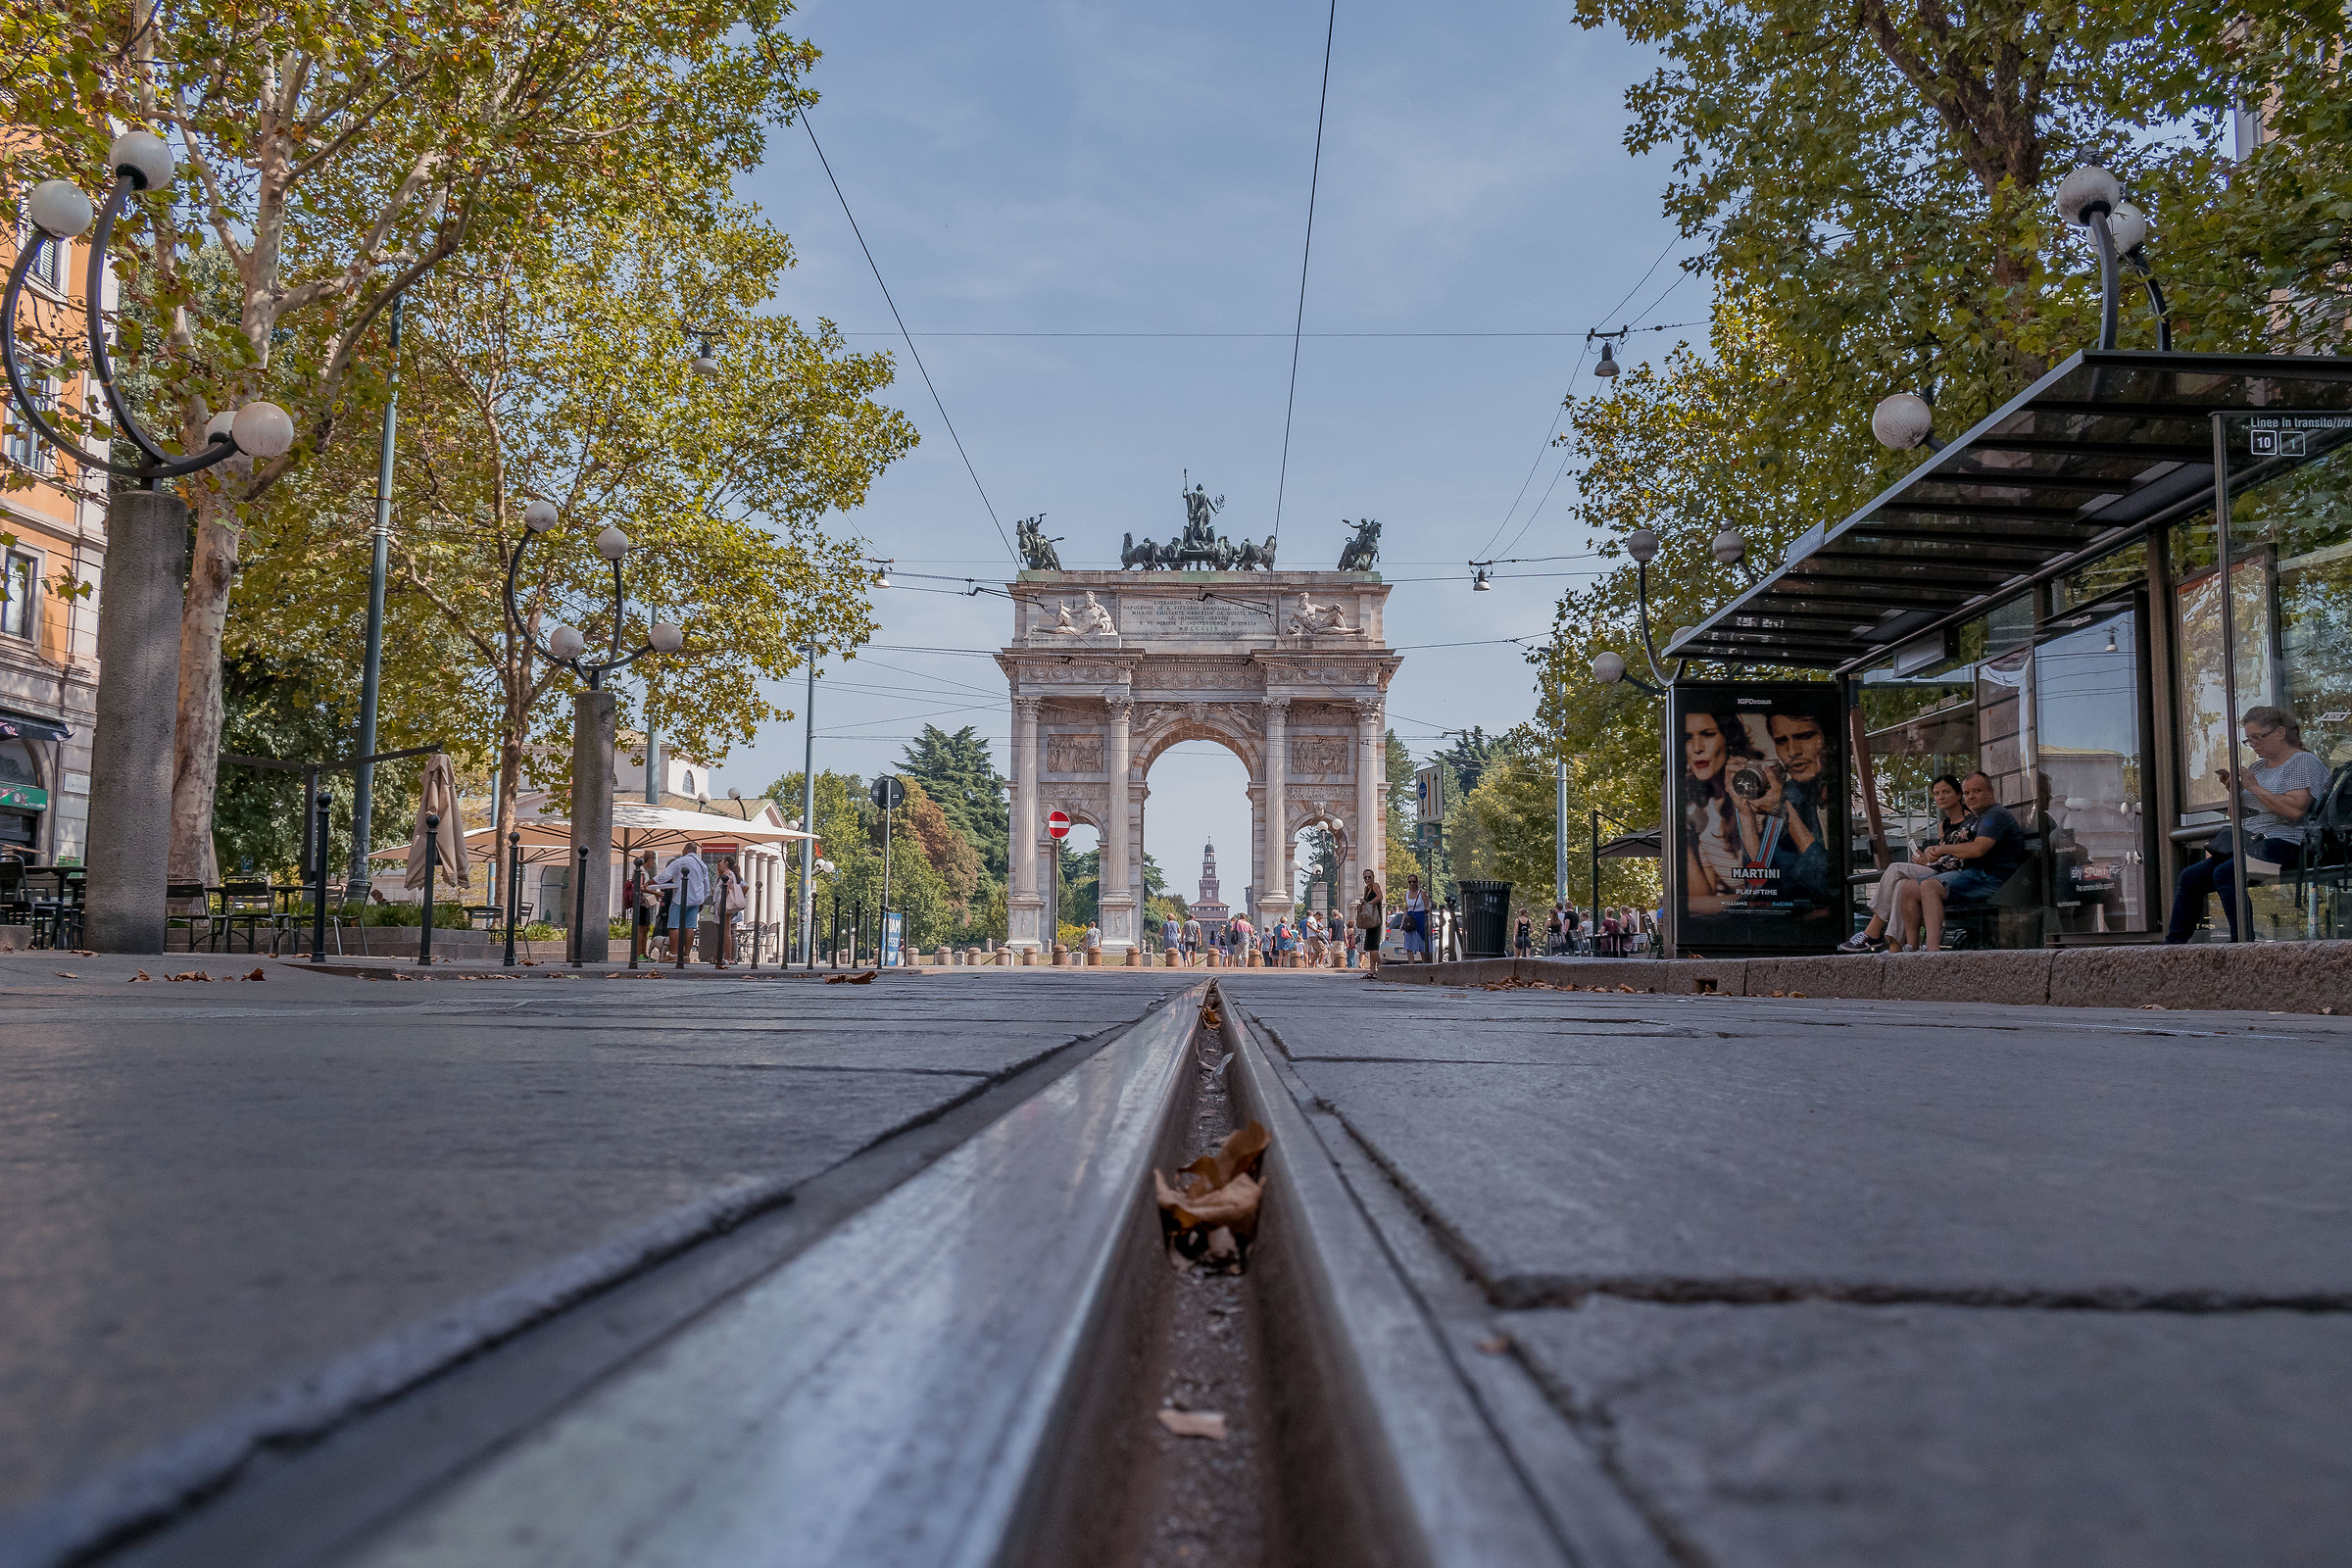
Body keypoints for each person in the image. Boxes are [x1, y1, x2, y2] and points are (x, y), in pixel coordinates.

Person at [2168, 706, 2328, 943]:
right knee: (2191, 876)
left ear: (2280, 732)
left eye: (2257, 737)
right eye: (2248, 739)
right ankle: (2172, 947)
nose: (2253, 744)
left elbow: (2295, 810)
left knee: (2227, 872)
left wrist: (2253, 787)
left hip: (2288, 842)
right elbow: (2237, 817)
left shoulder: (2302, 762)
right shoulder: (2258, 768)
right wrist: (2234, 791)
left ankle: (2241, 943)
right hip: (2251, 841)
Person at [1893, 772, 2028, 953]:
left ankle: (1933, 951)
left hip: (1992, 881)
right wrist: (1932, 852)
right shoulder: (1981, 818)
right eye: (1967, 792)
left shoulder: (1994, 816)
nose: (1971, 796)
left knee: (1929, 886)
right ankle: (1912, 948)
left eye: (1977, 791)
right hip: (1973, 876)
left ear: (1990, 792)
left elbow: (1977, 849)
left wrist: (1942, 849)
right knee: (1908, 888)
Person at [1841, 774, 1969, 953]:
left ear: (1958, 794)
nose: (1941, 797)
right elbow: (1942, 856)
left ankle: (1872, 932)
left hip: (1952, 876)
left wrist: (1935, 859)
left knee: (1895, 869)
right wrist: (1926, 859)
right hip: (1936, 870)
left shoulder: (1970, 821)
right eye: (1937, 793)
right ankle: (1897, 947)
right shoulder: (1945, 825)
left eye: (1946, 792)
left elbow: (1960, 856)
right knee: (1901, 885)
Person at [656, 840, 710, 963]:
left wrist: (650, 883)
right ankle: (686, 955)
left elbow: (665, 876)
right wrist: (702, 900)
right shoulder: (702, 865)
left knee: (674, 925)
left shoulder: (680, 861)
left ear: (685, 850)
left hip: (680, 898)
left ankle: (673, 954)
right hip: (696, 899)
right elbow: (707, 886)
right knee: (690, 926)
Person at [712, 855, 747, 967]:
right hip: (724, 905)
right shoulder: (730, 874)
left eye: (720, 863)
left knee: (726, 931)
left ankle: (728, 957)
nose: (718, 866)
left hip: (725, 906)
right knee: (724, 931)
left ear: (726, 863)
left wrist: (721, 905)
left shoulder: (728, 875)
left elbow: (725, 889)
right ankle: (722, 956)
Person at [625, 851, 661, 958]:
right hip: (641, 903)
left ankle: (643, 953)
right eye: (653, 860)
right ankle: (638, 953)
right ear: (650, 859)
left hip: (642, 903)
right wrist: (654, 892)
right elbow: (640, 887)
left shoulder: (642, 871)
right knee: (641, 928)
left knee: (645, 928)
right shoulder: (641, 871)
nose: (654, 863)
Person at [1354, 870, 1384, 974]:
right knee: (1370, 946)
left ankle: (1382, 969)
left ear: (1373, 877)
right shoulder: (1366, 889)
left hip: (1375, 920)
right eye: (1365, 878)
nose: (1367, 879)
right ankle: (1372, 971)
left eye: (1369, 877)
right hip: (1369, 921)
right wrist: (1363, 901)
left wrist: (1369, 903)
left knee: (1373, 947)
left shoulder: (1375, 885)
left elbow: (1380, 896)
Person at [1400, 874, 1429, 961]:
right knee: (1409, 945)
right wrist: (1402, 923)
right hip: (1410, 920)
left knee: (1422, 945)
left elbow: (1427, 907)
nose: (1412, 883)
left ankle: (1425, 965)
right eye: (1410, 882)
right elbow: (1406, 908)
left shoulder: (1422, 893)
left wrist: (1429, 921)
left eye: (1414, 881)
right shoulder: (1407, 893)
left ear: (1417, 882)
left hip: (1420, 919)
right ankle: (1411, 966)